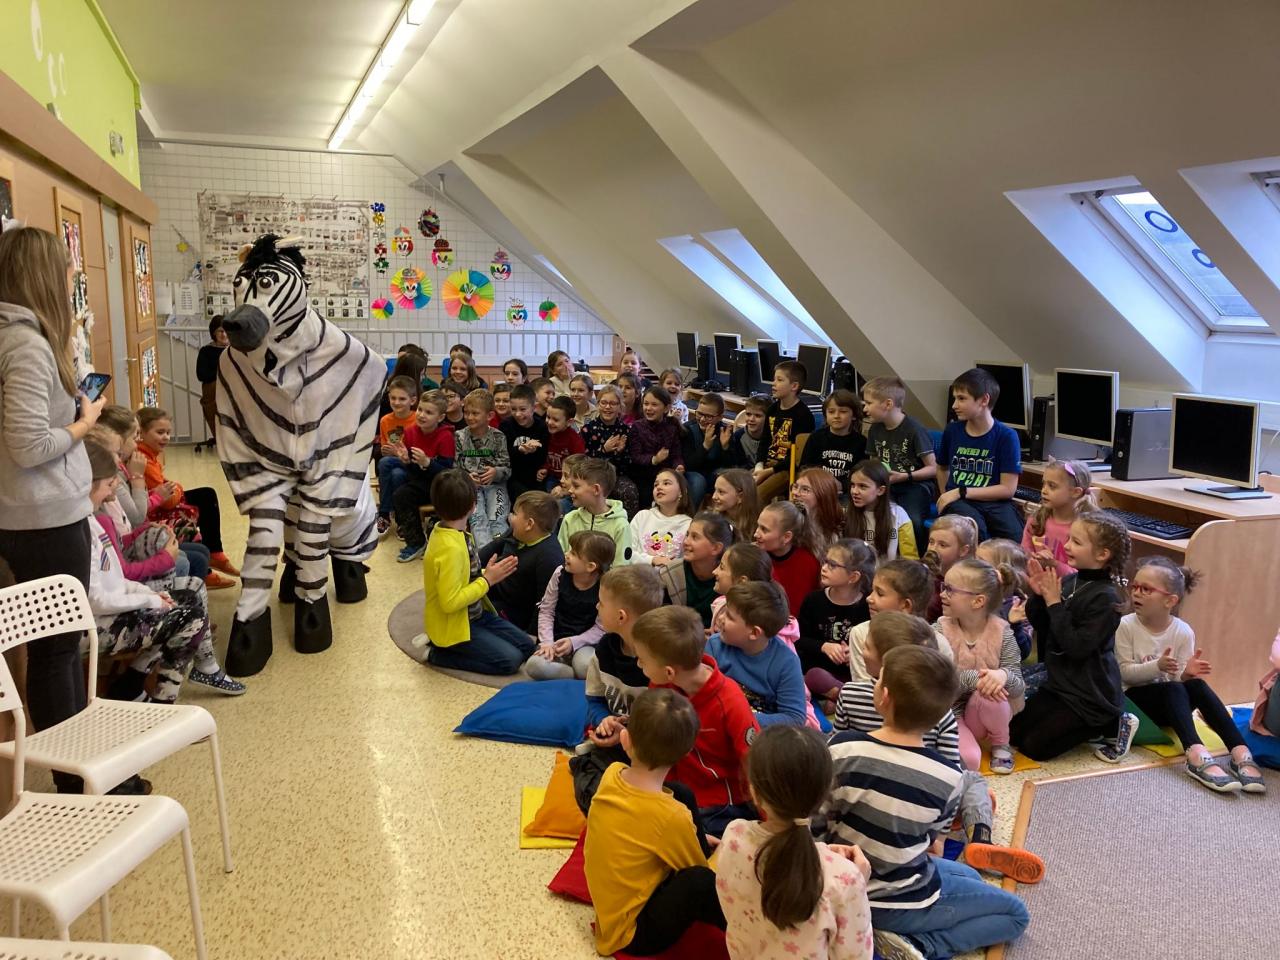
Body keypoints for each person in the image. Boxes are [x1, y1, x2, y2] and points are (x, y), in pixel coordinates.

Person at [821, 646, 1030, 960]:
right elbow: (931, 842)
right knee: (1016, 915)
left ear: (883, 697)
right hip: (900, 899)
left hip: (842, 884)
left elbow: (819, 819)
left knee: (971, 877)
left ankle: (883, 927)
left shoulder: (839, 747)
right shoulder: (949, 777)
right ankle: (922, 946)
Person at [0, 225, 104, 783]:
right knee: (57, 652)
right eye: (67, 269)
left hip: (22, 515)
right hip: (43, 519)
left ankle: (75, 771)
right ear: (44, 276)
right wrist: (84, 424)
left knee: (51, 651)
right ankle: (75, 777)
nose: (73, 278)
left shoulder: (20, 339)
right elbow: (29, 445)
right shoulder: (27, 347)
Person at [829, 611, 1041, 885]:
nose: (862, 649)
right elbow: (950, 769)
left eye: (867, 646)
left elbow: (837, 744)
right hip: (927, 797)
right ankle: (980, 837)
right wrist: (939, 837)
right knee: (972, 780)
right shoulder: (939, 709)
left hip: (866, 794)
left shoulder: (850, 694)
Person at [85, 440, 244, 697]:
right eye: (109, 481)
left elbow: (115, 576)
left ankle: (144, 682)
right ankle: (158, 699)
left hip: (114, 604)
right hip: (96, 624)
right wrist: (149, 598)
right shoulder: (87, 527)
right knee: (188, 618)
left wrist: (150, 596)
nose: (115, 483)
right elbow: (98, 597)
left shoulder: (96, 520)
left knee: (192, 588)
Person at [583, 688, 724, 956]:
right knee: (701, 882)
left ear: (625, 739)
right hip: (632, 934)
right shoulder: (671, 817)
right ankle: (748, 926)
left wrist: (690, 836)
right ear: (685, 753)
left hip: (612, 905)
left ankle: (693, 840)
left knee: (681, 793)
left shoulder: (613, 772)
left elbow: (643, 823)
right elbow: (695, 869)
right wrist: (722, 855)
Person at [716, 725, 874, 960]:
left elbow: (729, 907)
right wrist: (856, 882)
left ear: (754, 791)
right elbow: (856, 955)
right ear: (823, 795)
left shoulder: (734, 836)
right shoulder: (844, 879)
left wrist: (823, 856)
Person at [1117, 557, 1265, 793]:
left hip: (1171, 706)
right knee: (1173, 688)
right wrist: (1158, 666)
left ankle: (1239, 750)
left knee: (1196, 685)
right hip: (1135, 705)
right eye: (1134, 586)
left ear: (1170, 600)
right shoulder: (1126, 625)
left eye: (1146, 589)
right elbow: (1124, 674)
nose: (1136, 593)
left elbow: (1177, 683)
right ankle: (1195, 753)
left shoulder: (1183, 631)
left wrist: (1185, 675)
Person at [1011, 513, 1131, 761]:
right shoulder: (1070, 580)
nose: (1066, 546)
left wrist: (1054, 603)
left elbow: (1077, 647)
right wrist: (1039, 597)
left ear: (1102, 554)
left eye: (1076, 542)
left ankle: (1111, 724)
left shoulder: (1107, 598)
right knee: (1013, 734)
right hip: (1060, 685)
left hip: (1091, 696)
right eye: (1069, 539)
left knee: (1035, 748)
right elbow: (1045, 628)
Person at [631, 605, 758, 837]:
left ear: (669, 672)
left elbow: (754, 762)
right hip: (669, 787)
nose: (638, 665)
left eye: (642, 660)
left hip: (718, 803)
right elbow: (653, 734)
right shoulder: (661, 684)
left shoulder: (729, 700)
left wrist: (772, 825)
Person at [417, 469, 531, 675]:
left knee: (527, 647)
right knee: (511, 661)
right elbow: (450, 602)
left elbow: (464, 575)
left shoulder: (451, 531)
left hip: (474, 615)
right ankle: (437, 653)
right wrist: (487, 580)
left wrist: (490, 572)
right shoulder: (450, 547)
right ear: (473, 506)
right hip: (456, 624)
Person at [571, 564, 666, 809]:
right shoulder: (604, 649)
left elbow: (669, 728)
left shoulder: (660, 662)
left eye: (601, 603)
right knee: (591, 784)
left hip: (651, 751)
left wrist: (629, 735)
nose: (596, 607)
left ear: (621, 616)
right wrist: (604, 720)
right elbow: (595, 699)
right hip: (615, 744)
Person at [95, 405, 216, 584]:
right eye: (135, 436)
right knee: (191, 551)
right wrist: (138, 478)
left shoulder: (139, 460)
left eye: (168, 432)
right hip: (139, 535)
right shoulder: (127, 467)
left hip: (135, 534)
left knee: (199, 549)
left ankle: (214, 560)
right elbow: (140, 515)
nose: (137, 442)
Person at [936, 559, 1025, 774]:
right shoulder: (939, 630)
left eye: (949, 590)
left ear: (978, 601)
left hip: (989, 710)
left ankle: (1001, 744)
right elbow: (939, 683)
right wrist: (976, 679)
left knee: (993, 690)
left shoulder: (1002, 632)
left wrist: (1003, 676)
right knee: (968, 761)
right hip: (950, 713)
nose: (941, 594)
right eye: (943, 587)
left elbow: (1018, 687)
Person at [135, 407, 240, 582]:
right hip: (152, 513)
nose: (166, 437)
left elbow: (164, 487)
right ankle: (204, 568)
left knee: (206, 495)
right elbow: (167, 501)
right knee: (193, 511)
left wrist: (174, 488)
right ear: (142, 433)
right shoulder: (144, 459)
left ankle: (215, 553)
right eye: (160, 432)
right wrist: (178, 487)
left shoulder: (150, 454)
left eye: (168, 432)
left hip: (155, 505)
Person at [936, 368, 1024, 542]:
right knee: (976, 532)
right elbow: (941, 467)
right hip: (960, 502)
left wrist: (961, 492)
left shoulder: (1006, 436)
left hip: (993, 502)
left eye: (961, 398)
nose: (954, 405)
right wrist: (946, 494)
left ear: (984, 400)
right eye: (955, 398)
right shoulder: (952, 431)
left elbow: (1008, 489)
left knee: (1015, 539)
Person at [707, 582, 810, 728]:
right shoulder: (714, 646)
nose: (720, 618)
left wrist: (741, 717)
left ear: (754, 633)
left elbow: (795, 717)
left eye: (729, 616)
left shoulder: (786, 662)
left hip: (760, 733)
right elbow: (701, 695)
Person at [526, 530, 615, 680]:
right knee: (534, 665)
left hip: (586, 644)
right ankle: (571, 676)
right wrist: (547, 643)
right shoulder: (560, 574)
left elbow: (601, 628)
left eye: (573, 553)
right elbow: (546, 611)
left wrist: (574, 642)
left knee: (585, 666)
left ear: (590, 566)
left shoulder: (605, 586)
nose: (566, 554)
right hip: (555, 640)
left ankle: (572, 673)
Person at [846, 559, 951, 682]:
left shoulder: (939, 644)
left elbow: (943, 690)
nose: (869, 598)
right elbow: (862, 687)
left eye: (880, 593)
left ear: (906, 605)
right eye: (872, 590)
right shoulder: (861, 634)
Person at [863, 376, 937, 548]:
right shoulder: (875, 428)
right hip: (887, 484)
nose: (865, 408)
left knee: (912, 521)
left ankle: (916, 559)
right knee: (869, 513)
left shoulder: (914, 429)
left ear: (888, 404)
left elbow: (933, 469)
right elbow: (874, 462)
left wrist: (905, 476)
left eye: (869, 403)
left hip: (915, 486)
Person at [477, 491, 564, 632]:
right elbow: (488, 551)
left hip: (512, 612)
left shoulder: (549, 557)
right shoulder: (516, 533)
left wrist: (533, 634)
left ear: (529, 524)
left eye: (515, 514)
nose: (510, 518)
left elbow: (544, 604)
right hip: (492, 590)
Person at [797, 538, 874, 692]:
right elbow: (799, 639)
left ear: (853, 577)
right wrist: (824, 646)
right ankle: (840, 695)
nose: (824, 568)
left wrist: (855, 654)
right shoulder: (813, 600)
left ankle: (839, 695)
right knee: (815, 676)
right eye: (825, 562)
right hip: (818, 669)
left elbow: (874, 646)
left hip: (852, 673)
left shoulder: (868, 604)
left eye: (832, 565)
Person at [393, 393, 456, 563]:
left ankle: (438, 532)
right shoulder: (410, 432)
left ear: (440, 417)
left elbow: (447, 472)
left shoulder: (446, 437)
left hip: (442, 485)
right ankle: (416, 543)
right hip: (420, 482)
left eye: (428, 412)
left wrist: (428, 462)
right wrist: (406, 461)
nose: (421, 415)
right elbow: (412, 470)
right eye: (420, 409)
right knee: (401, 495)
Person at [708, 543, 802, 653]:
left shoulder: (776, 642)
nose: (714, 571)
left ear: (742, 581)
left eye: (722, 567)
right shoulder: (720, 604)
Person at [1020, 459, 1098, 577]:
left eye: (1052, 486)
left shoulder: (1086, 530)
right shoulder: (1037, 519)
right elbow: (1023, 558)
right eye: (1044, 484)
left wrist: (1054, 565)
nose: (1044, 491)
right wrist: (1036, 560)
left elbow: (1082, 577)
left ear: (1076, 492)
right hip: (1035, 581)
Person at [753, 360, 816, 504]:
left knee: (756, 496)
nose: (773, 384)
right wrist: (759, 466)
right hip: (767, 466)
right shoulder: (772, 409)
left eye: (779, 380)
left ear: (794, 386)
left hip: (786, 470)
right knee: (738, 488)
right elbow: (764, 441)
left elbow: (797, 457)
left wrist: (768, 472)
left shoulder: (803, 415)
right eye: (774, 379)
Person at [657, 512, 734, 627]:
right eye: (687, 535)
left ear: (716, 548)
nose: (686, 541)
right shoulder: (669, 573)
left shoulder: (731, 578)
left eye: (695, 537)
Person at [455, 389, 510, 549]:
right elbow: (455, 467)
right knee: (477, 519)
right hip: (471, 487)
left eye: (475, 413)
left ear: (489, 415)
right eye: (466, 412)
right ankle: (485, 555)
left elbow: (507, 468)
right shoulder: (459, 436)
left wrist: (495, 472)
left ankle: (502, 553)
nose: (469, 417)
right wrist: (466, 477)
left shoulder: (499, 437)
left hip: (495, 486)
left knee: (497, 518)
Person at [560, 458, 633, 567]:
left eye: (576, 486)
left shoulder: (620, 526)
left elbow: (621, 568)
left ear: (596, 489)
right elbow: (560, 559)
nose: (570, 490)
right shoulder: (570, 519)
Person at [753, 500, 822, 615]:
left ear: (786, 537)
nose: (756, 534)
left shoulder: (809, 563)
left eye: (764, 529)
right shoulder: (754, 556)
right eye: (758, 526)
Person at [581, 383, 639, 517]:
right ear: (598, 405)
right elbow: (584, 461)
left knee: (630, 491)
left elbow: (629, 464)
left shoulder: (626, 430)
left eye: (613, 403)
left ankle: (625, 525)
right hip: (592, 477)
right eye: (604, 403)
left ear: (620, 406)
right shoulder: (587, 429)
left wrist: (619, 452)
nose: (608, 407)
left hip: (617, 476)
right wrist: (603, 450)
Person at [845, 459, 918, 561]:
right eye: (852, 485)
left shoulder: (898, 515)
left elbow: (910, 558)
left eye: (862, 486)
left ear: (880, 490)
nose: (854, 491)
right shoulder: (846, 514)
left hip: (890, 570)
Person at [797, 389, 866, 495]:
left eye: (843, 411)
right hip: (817, 489)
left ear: (854, 415)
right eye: (831, 412)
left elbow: (862, 475)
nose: (836, 416)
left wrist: (842, 485)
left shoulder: (861, 442)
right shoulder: (816, 437)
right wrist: (822, 482)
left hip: (847, 492)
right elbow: (804, 468)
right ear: (825, 414)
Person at [375, 374, 420, 535]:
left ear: (412, 401)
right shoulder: (385, 420)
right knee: (396, 474)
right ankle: (402, 519)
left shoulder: (417, 419)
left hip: (414, 465)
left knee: (385, 463)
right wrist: (388, 451)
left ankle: (383, 513)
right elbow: (385, 447)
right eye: (393, 398)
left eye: (402, 399)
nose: (396, 402)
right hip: (395, 465)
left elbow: (419, 452)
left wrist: (398, 453)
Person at [627, 385, 684, 509]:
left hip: (666, 474)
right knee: (648, 495)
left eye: (654, 405)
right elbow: (635, 456)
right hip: (644, 475)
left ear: (666, 408)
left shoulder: (671, 427)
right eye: (646, 404)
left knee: (679, 490)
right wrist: (654, 459)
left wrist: (678, 465)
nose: (648, 408)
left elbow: (676, 454)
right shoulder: (637, 427)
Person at [975, 538, 1033, 659]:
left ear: (1004, 572)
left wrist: (1014, 625)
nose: (973, 567)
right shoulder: (971, 594)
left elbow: (1022, 653)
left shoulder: (1019, 606)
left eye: (982, 563)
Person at [681, 391, 733, 509]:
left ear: (720, 417)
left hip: (714, 472)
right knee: (698, 482)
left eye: (709, 416)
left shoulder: (724, 431)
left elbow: (730, 465)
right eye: (699, 414)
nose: (702, 419)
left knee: (728, 479)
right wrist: (705, 446)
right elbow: (688, 465)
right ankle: (689, 514)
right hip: (693, 473)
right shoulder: (687, 429)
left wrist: (725, 447)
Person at [629, 469, 693, 566]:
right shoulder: (642, 516)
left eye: (666, 483)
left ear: (681, 491)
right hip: (638, 572)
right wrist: (652, 560)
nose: (659, 487)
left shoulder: (689, 524)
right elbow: (627, 552)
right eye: (656, 485)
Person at [922, 514, 978, 622]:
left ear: (963, 550)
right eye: (931, 542)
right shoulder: (924, 572)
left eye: (942, 545)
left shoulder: (965, 586)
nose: (933, 549)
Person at [501, 384, 549, 501]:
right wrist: (520, 449)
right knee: (525, 499)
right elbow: (502, 454)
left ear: (534, 408)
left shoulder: (542, 427)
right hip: (512, 477)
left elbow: (545, 454)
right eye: (513, 409)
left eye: (523, 409)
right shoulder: (506, 426)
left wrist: (544, 469)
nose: (518, 414)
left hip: (536, 477)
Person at [538, 396, 586, 492]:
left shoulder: (575, 441)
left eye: (555, 420)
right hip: (551, 477)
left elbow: (579, 467)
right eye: (548, 417)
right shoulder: (546, 433)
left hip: (569, 481)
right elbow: (546, 455)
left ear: (569, 422)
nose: (549, 422)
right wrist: (545, 468)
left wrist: (564, 488)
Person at [791, 467, 844, 551]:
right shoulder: (787, 521)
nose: (795, 493)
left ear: (823, 494)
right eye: (795, 486)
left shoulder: (838, 527)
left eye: (805, 489)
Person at [195, 314, 227, 443]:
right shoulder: (206, 351)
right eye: (220, 331)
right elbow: (202, 375)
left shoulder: (237, 350)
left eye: (226, 331)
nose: (224, 334)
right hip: (213, 393)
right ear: (214, 333)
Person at [710, 468, 759, 542]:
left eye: (721, 492)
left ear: (740, 497)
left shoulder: (758, 524)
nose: (714, 497)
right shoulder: (712, 522)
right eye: (715, 490)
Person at [726, 394, 768, 467]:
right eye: (748, 414)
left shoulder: (774, 437)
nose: (751, 419)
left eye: (757, 416)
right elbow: (739, 465)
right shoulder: (738, 436)